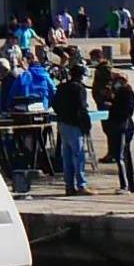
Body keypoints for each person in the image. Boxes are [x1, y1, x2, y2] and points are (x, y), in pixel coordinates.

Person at [52, 59, 93, 195]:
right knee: (79, 155)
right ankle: (81, 185)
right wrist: (86, 125)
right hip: (75, 125)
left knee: (67, 156)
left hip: (63, 124)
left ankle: (69, 186)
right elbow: (82, 108)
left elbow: (55, 104)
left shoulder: (62, 87)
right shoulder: (79, 88)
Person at [106, 65, 134, 194]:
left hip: (123, 126)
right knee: (120, 155)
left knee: (121, 157)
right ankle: (126, 184)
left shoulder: (127, 93)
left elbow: (127, 111)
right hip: (118, 125)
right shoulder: (118, 93)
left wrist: (112, 106)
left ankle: (126, 185)